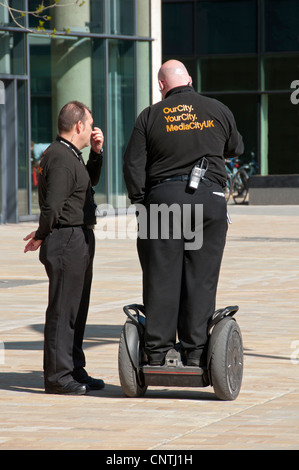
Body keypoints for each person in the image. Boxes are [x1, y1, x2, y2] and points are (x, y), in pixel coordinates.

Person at [123, 60, 244, 367]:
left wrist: (142, 206)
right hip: (209, 200)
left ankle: (156, 352)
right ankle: (195, 352)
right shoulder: (217, 109)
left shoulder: (149, 116)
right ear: (189, 79)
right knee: (201, 279)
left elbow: (133, 166)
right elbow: (235, 148)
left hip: (163, 202)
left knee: (161, 278)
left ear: (161, 86)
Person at [24, 101, 105, 395]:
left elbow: (87, 182)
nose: (94, 128)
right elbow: (53, 204)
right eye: (91, 123)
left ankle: (73, 368)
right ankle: (58, 377)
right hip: (66, 239)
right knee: (63, 311)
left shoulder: (70, 154)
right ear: (78, 126)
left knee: (76, 310)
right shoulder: (60, 156)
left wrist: (96, 154)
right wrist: (43, 234)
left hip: (77, 238)